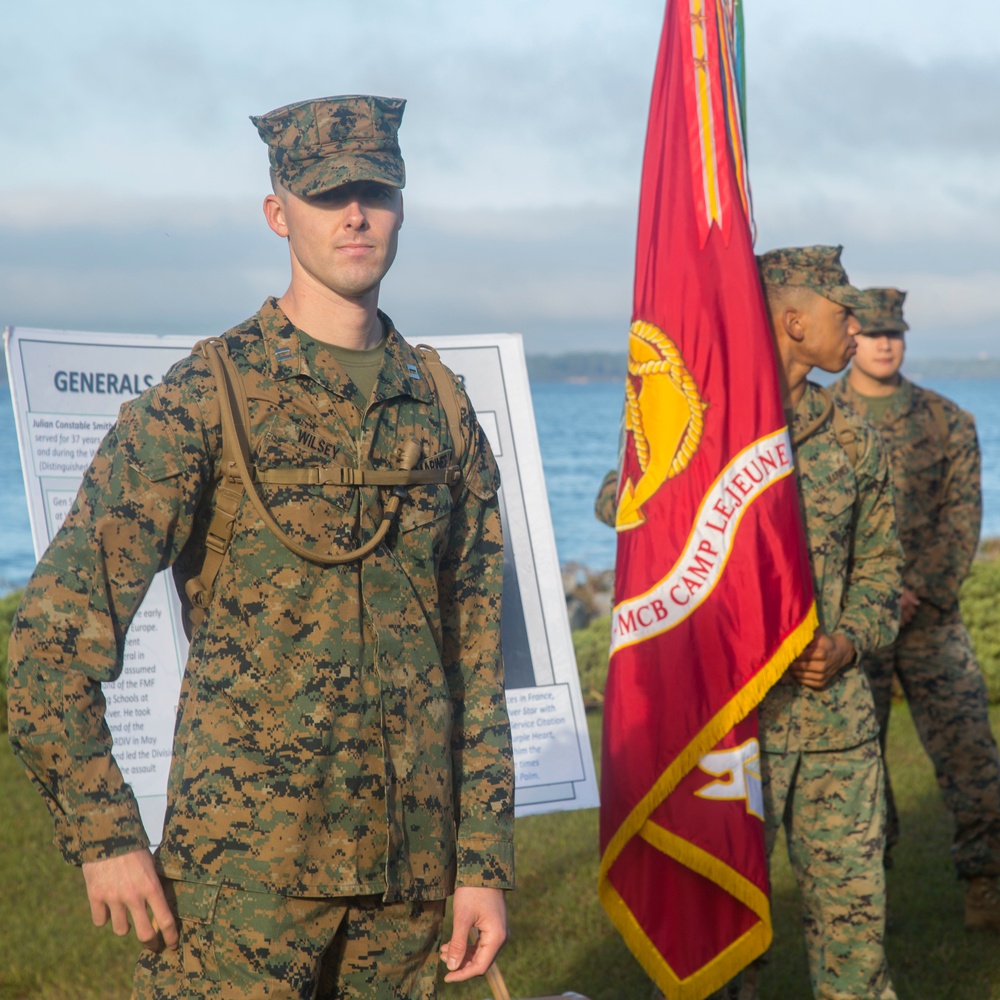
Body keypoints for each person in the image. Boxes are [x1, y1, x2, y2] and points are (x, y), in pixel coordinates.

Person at [6, 94, 514, 999]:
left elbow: (473, 656)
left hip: (405, 894)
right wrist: (105, 837)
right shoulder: (204, 398)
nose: (355, 214)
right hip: (241, 887)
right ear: (279, 213)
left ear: (402, 206)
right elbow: (46, 643)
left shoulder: (440, 409)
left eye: (376, 190)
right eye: (327, 195)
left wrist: (482, 860)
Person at [752, 246, 903, 1000]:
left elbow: (882, 568)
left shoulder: (852, 439)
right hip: (727, 729)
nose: (858, 325)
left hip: (834, 724)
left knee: (853, 933)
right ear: (791, 319)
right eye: (842, 313)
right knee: (713, 940)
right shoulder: (702, 431)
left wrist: (852, 641)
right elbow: (626, 509)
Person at [829, 287, 1000, 931]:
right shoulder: (819, 419)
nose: (882, 342)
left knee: (971, 756)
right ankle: (865, 904)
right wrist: (869, 597)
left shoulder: (948, 420)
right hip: (851, 626)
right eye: (871, 332)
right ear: (851, 336)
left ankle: (986, 888)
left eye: (892, 332)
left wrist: (916, 589)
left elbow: (963, 519)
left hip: (930, 618)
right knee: (854, 768)